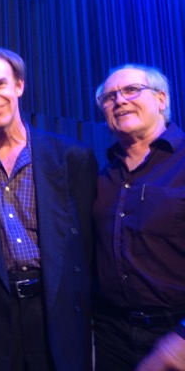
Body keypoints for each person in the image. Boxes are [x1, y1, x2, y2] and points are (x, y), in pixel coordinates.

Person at [0, 46, 98, 371]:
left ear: (19, 86)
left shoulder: (72, 158)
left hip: (58, 312)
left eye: (0, 84)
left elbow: (89, 246)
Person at [92, 64, 185, 371]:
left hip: (174, 337)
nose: (119, 101)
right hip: (111, 337)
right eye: (109, 97)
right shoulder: (102, 177)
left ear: (161, 99)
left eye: (131, 90)